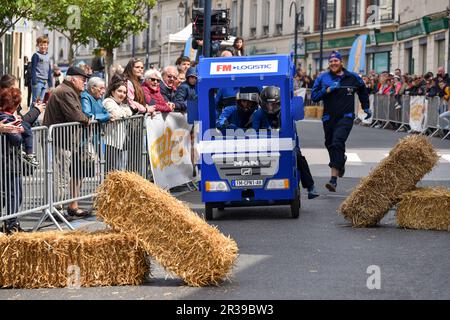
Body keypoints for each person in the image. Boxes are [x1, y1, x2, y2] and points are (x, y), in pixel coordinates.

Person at [311, 51, 370, 192]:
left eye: (335, 61)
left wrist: (366, 107)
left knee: (338, 141)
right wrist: (327, 90)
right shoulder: (323, 78)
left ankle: (333, 180)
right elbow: (314, 96)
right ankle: (340, 161)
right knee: (331, 144)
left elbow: (362, 90)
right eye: (331, 62)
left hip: (346, 117)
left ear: (341, 62)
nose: (333, 64)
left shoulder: (352, 77)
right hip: (328, 118)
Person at [252, 86, 319, 199]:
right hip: (262, 145)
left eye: (274, 104)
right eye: (268, 104)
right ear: (262, 103)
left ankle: (310, 186)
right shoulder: (258, 114)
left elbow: (291, 131)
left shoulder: (285, 113)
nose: (270, 107)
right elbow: (253, 132)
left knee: (299, 157)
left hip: (283, 143)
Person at [43, 66, 92, 218]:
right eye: (83, 80)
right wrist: (87, 119)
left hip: (64, 140)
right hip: (59, 140)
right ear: (73, 79)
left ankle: (60, 208)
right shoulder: (65, 91)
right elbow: (75, 115)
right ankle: (56, 209)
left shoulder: (69, 90)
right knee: (60, 176)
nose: (84, 83)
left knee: (63, 175)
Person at [0, 87, 26, 233]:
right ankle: (12, 225)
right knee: (13, 194)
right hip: (7, 161)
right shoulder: (6, 119)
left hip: (7, 160)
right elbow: (17, 139)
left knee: (9, 194)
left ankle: (10, 223)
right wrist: (17, 126)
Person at [0, 87, 39, 167]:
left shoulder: (8, 116)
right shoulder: (6, 118)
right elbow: (17, 140)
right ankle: (28, 153)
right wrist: (18, 130)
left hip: (11, 163)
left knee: (26, 126)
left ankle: (28, 153)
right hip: (7, 164)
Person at [103, 80, 133, 171]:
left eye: (124, 92)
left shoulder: (121, 104)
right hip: (110, 141)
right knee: (110, 170)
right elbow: (116, 113)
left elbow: (130, 112)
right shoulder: (108, 101)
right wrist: (124, 113)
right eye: (119, 91)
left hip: (120, 141)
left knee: (118, 169)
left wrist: (123, 112)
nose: (122, 94)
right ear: (112, 92)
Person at [30, 36, 52, 106]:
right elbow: (33, 68)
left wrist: (50, 84)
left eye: (45, 45)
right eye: (41, 45)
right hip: (38, 81)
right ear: (38, 45)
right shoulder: (36, 55)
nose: (43, 46)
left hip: (45, 82)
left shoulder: (48, 56)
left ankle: (37, 116)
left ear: (47, 45)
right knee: (35, 101)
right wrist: (34, 82)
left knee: (41, 102)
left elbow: (49, 70)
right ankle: (32, 117)